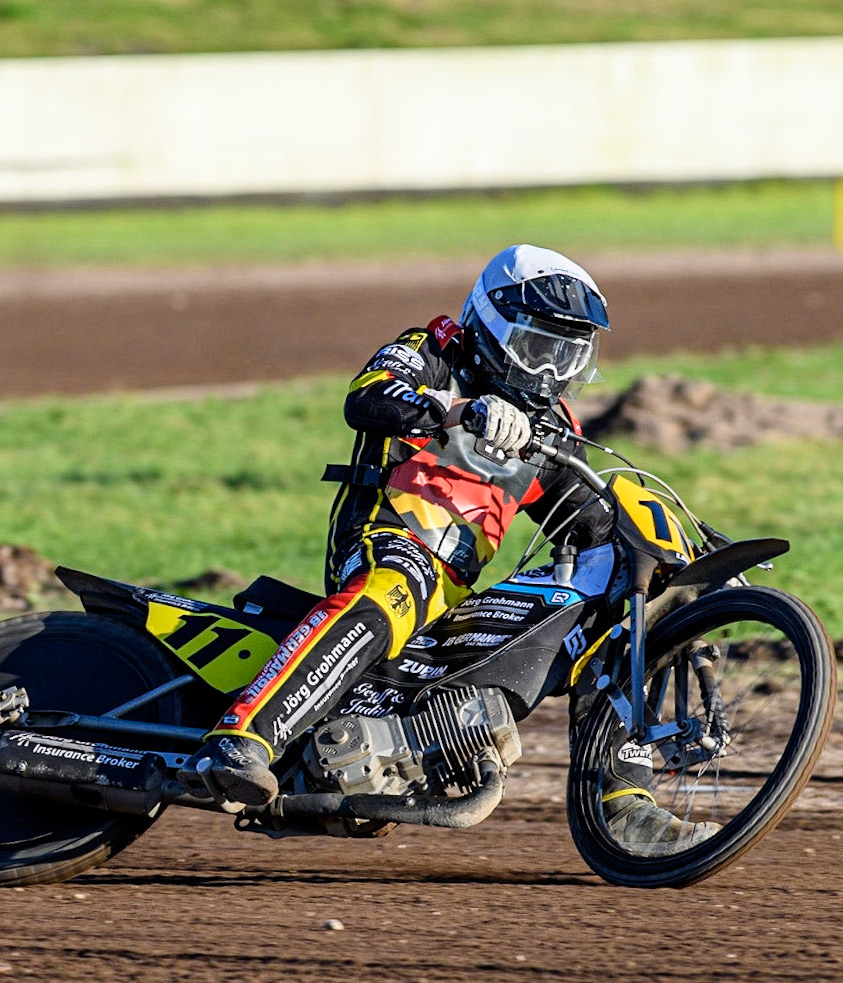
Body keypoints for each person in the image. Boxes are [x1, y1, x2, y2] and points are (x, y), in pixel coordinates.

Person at [184, 243, 717, 857]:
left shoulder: (550, 424)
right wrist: (459, 409)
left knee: (620, 605)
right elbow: (366, 399)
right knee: (398, 581)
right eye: (538, 346)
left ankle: (622, 805)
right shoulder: (432, 351)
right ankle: (244, 737)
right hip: (387, 537)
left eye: (566, 354)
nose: (547, 370)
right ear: (491, 323)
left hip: (457, 585)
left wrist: (666, 568)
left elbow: (585, 523)